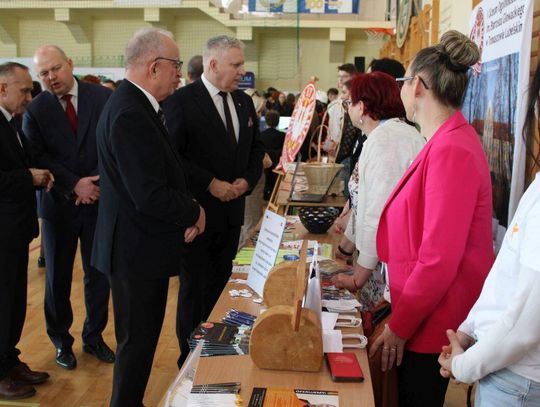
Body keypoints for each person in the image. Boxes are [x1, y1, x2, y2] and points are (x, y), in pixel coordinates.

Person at [370, 30, 495, 406]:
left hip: (431, 321)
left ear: (419, 85)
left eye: (403, 82)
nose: (401, 91)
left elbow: (439, 258)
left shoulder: (452, 149)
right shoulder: (442, 141)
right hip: (422, 312)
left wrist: (400, 325)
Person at [91, 28, 205, 407]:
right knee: (137, 344)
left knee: (139, 342)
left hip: (136, 247)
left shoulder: (134, 105)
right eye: (175, 65)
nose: (179, 74)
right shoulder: (130, 113)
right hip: (134, 251)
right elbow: (148, 193)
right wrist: (194, 210)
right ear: (154, 67)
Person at [437, 62, 540, 407]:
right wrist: (470, 329)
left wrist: (464, 365)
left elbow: (525, 325)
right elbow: (506, 274)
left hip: (518, 378)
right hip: (501, 364)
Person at [162, 34, 264, 367]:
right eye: (236, 65)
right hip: (198, 215)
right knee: (194, 290)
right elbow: (172, 158)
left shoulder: (243, 102)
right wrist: (209, 183)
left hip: (232, 213)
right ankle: (189, 359)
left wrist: (246, 180)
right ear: (214, 64)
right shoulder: (181, 101)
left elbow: (255, 150)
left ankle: (215, 351)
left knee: (221, 288)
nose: (242, 71)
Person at [23, 45, 114, 370]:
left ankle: (94, 337)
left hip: (98, 201)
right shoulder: (36, 109)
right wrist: (74, 184)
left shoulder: (102, 97)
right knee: (57, 279)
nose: (51, 77)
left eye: (55, 68)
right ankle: (61, 341)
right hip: (58, 206)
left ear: (70, 64)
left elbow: (113, 143)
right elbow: (36, 155)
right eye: (43, 73)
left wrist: (95, 183)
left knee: (98, 275)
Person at [331, 72, 425, 312]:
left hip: (390, 267)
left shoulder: (388, 140)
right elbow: (362, 204)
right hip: (379, 262)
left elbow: (377, 215)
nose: (348, 108)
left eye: (349, 102)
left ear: (362, 107)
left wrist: (358, 277)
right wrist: (344, 249)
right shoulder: (382, 136)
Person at [0, 62, 53, 399]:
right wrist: (27, 177)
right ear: (2, 88)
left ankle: (8, 359)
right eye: (23, 91)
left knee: (14, 303)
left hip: (15, 231)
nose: (29, 97)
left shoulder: (12, 122)